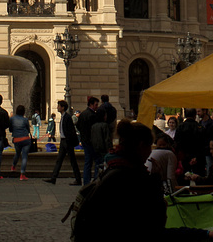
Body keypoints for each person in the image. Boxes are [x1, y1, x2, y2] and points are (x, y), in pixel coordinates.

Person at [72, 119, 213, 242]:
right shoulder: (135, 179)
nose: (150, 152)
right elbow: (154, 228)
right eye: (149, 146)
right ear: (140, 146)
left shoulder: (113, 169)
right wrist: (156, 182)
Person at [44, 100, 81, 186]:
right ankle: (53, 178)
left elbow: (70, 131)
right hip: (63, 141)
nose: (57, 107)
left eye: (59, 106)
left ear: (63, 107)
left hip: (67, 141)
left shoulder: (67, 117)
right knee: (59, 160)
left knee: (73, 161)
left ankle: (78, 179)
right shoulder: (63, 116)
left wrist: (69, 141)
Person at [77, 95, 99, 185]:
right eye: (96, 105)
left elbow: (78, 126)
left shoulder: (83, 114)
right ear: (91, 104)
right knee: (98, 161)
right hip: (91, 142)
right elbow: (94, 130)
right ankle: (96, 179)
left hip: (85, 141)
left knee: (87, 162)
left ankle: (86, 181)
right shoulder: (92, 115)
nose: (97, 106)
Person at [9, 105, 31, 181]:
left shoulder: (12, 119)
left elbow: (10, 129)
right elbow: (28, 130)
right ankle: (22, 174)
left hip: (17, 139)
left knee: (17, 153)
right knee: (24, 156)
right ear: (23, 112)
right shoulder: (25, 120)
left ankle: (13, 166)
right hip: (25, 139)